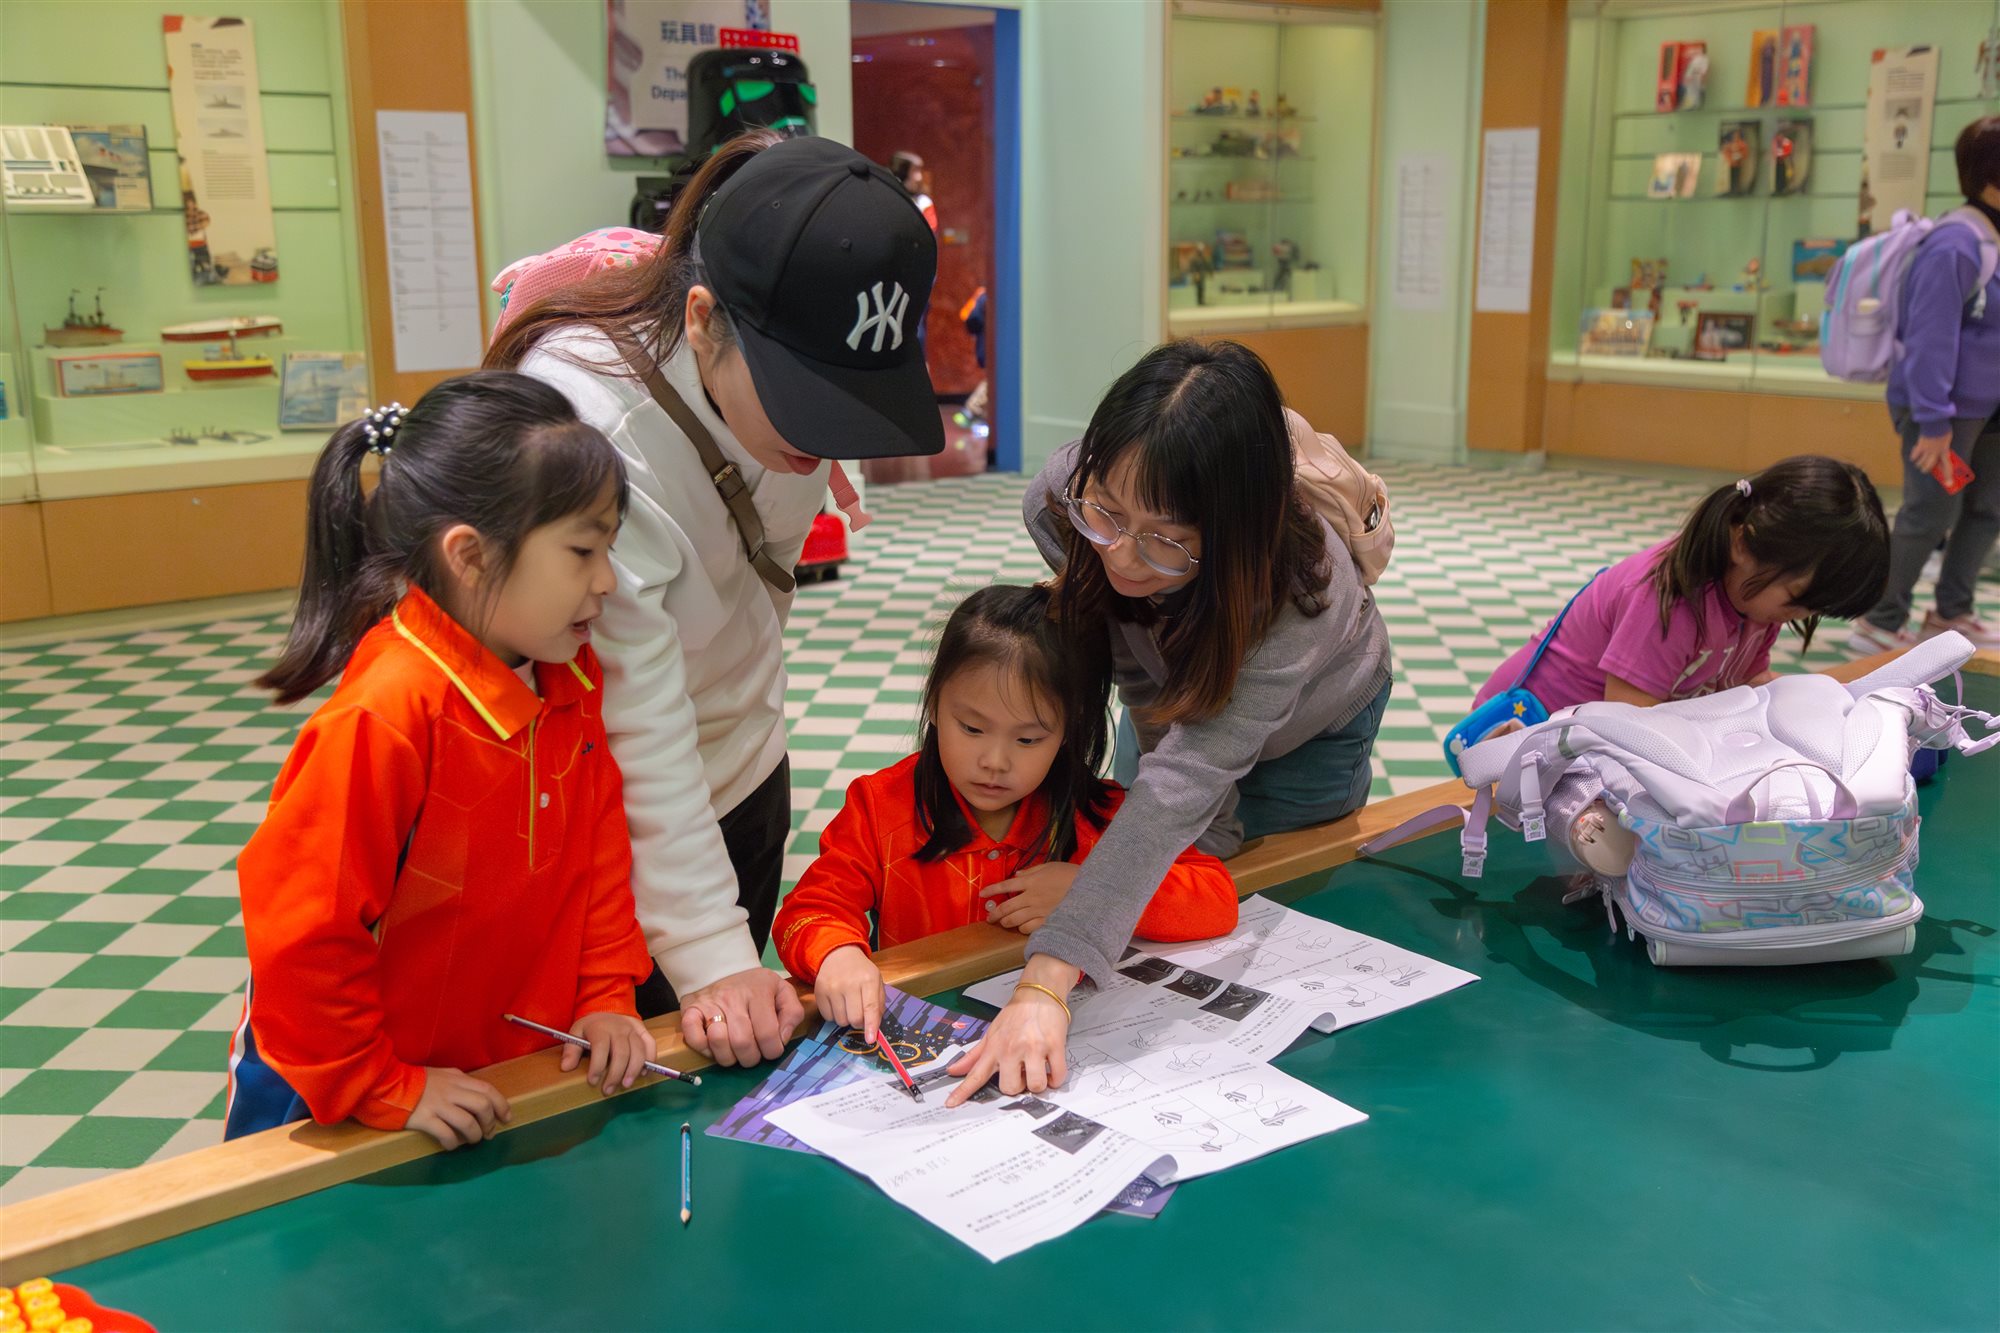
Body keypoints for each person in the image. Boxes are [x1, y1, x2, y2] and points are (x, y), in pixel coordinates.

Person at [485, 131, 944, 1069]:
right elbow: (638, 720)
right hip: (612, 820)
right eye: (804, 398)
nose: (821, 442)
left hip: (743, 767)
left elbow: (761, 589)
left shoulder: (776, 390)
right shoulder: (591, 431)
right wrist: (709, 951)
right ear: (702, 322)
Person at [946, 340, 1392, 1104]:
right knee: (1164, 852)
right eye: (1109, 514)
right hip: (1179, 684)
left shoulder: (1303, 596)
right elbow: (1135, 653)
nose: (1122, 554)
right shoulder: (1063, 499)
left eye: (1166, 540)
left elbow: (1187, 777)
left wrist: (1045, 985)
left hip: (1314, 726)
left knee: (1271, 904)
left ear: (1235, 533)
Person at [226, 373, 656, 1150]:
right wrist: (382, 1082)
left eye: (610, 548)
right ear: (470, 555)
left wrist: (604, 992)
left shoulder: (570, 674)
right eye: (583, 550)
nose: (606, 580)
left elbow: (595, 851)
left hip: (491, 1076)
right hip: (339, 1091)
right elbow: (303, 932)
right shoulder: (387, 713)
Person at [774, 584, 1239, 1042]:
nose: (995, 761)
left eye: (1028, 739)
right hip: (919, 1036)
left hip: (1053, 1033)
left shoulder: (1097, 813)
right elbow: (812, 908)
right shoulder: (880, 806)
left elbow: (1215, 899)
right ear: (934, 704)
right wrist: (837, 954)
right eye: (972, 728)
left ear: (1068, 731)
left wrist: (1092, 891)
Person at [1470, 457, 1888, 716]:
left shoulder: (1755, 598)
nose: (1799, 615)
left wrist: (1813, 703)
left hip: (1594, 734)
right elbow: (1626, 721)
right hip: (1524, 731)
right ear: (1743, 543)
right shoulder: (1666, 598)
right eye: (1798, 600)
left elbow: (1743, 679)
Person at [1848, 115, 2000, 655]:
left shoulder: (1992, 238)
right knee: (1931, 513)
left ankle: (1952, 611)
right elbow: (1930, 338)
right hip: (1944, 412)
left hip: (1989, 411)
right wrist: (1933, 420)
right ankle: (1880, 619)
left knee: (1988, 509)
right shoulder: (1956, 243)